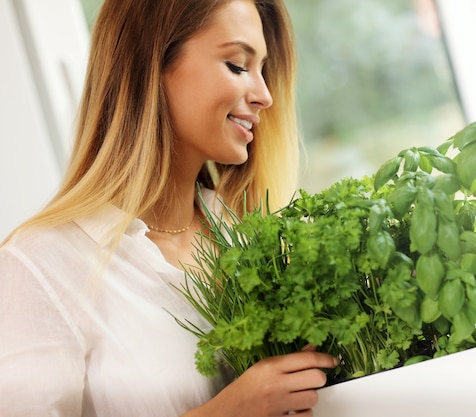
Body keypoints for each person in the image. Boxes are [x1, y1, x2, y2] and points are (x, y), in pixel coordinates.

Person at [0, 0, 338, 416]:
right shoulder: (44, 264)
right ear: (152, 64)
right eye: (237, 65)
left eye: (264, 71)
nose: (265, 95)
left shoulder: (247, 239)